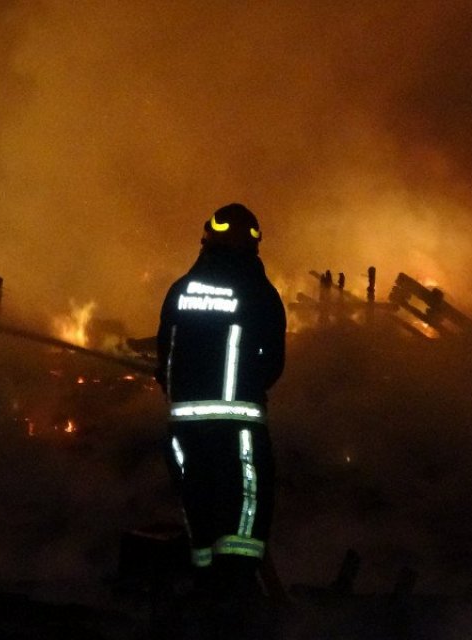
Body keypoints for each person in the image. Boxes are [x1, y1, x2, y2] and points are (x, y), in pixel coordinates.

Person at [156, 203, 286, 601]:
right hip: (237, 428)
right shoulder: (258, 293)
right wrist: (247, 383)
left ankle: (204, 597)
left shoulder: (181, 290)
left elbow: (164, 358)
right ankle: (237, 600)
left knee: (200, 511)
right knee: (244, 517)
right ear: (253, 245)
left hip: (183, 431)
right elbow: (273, 363)